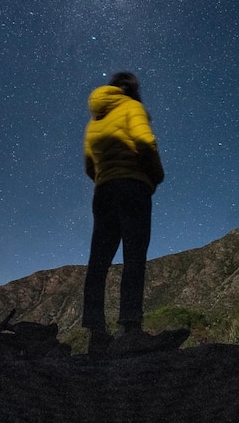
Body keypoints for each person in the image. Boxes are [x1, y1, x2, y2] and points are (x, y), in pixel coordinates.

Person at [82, 72, 165, 357]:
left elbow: (89, 166)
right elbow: (145, 143)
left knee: (98, 263)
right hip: (133, 187)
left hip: (103, 192)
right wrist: (156, 176)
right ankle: (131, 328)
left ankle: (96, 333)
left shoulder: (94, 122)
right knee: (134, 258)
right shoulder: (132, 107)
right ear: (132, 89)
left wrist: (104, 178)